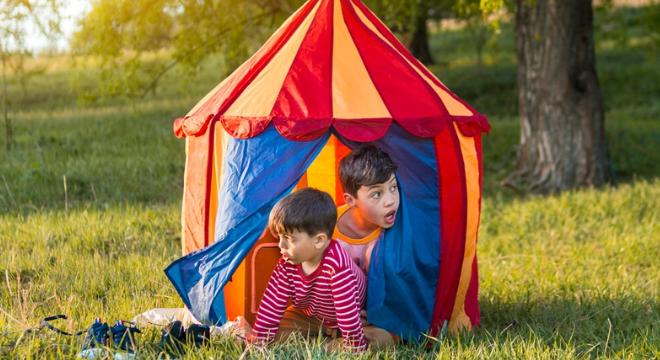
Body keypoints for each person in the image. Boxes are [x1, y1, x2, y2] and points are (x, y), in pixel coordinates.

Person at [238, 188, 368, 352]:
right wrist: (258, 342)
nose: (281, 246)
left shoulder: (337, 267)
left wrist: (355, 346)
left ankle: (330, 343)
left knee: (377, 339)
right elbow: (272, 305)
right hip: (311, 318)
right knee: (272, 331)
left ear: (319, 241)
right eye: (280, 238)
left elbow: (348, 317)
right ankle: (324, 342)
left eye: (288, 239)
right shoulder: (287, 263)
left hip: (352, 320)